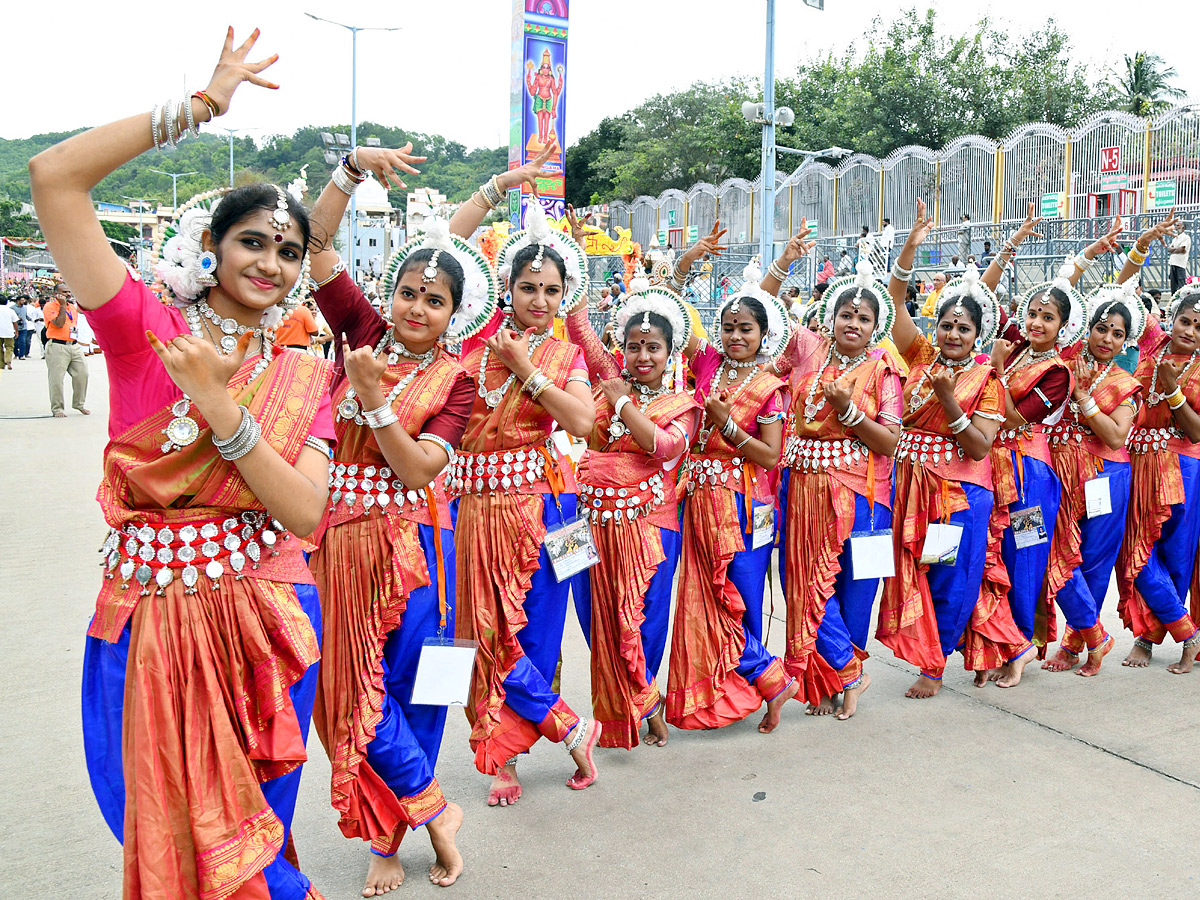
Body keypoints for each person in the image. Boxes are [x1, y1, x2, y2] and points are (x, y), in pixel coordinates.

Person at [34, 28, 334, 898]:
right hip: (147, 618)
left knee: (256, 839)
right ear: (212, 244)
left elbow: (307, 514)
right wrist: (199, 110)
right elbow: (55, 178)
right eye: (251, 242)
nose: (269, 263)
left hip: (263, 622)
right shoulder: (139, 329)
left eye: (287, 250)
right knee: (151, 815)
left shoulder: (302, 371)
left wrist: (221, 410)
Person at [306, 144, 484, 892]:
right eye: (409, 291)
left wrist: (374, 401)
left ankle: (388, 835)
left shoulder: (460, 383)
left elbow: (417, 469)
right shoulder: (361, 330)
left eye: (433, 299)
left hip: (416, 550)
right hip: (334, 542)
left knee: (407, 688)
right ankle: (434, 811)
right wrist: (349, 170)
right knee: (340, 691)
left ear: (455, 313)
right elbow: (315, 247)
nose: (415, 307)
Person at [444, 150, 601, 807]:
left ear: (565, 296)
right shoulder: (472, 336)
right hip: (477, 505)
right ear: (506, 288)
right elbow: (445, 248)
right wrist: (495, 189)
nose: (539, 301)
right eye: (528, 287)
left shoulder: (565, 354)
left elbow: (586, 421)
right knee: (483, 631)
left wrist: (527, 370)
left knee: (539, 629)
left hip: (557, 507)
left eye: (551, 291)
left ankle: (526, 739)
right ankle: (517, 749)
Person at [877, 199, 1023, 699]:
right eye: (946, 325)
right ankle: (981, 652)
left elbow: (981, 446)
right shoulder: (920, 354)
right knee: (914, 574)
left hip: (955, 494)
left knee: (944, 578)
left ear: (978, 335)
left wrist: (945, 398)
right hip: (910, 486)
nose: (953, 334)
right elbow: (894, 304)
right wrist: (911, 248)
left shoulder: (985, 380)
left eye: (964, 328)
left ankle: (934, 664)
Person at [564, 225, 700, 748]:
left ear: (671, 354)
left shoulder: (682, 403)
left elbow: (663, 449)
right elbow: (577, 326)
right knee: (594, 621)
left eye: (654, 348)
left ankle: (646, 705)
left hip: (648, 528)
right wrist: (573, 252)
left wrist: (622, 402)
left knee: (640, 624)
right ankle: (627, 711)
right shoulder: (606, 378)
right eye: (634, 346)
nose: (643, 356)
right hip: (584, 523)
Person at [664, 234, 800, 733]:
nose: (735, 336)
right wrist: (686, 264)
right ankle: (742, 686)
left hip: (746, 503)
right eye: (727, 328)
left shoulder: (771, 387)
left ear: (764, 335)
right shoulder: (707, 363)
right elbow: (671, 318)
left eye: (745, 329)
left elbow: (771, 455)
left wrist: (726, 425)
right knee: (702, 595)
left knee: (734, 594)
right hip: (697, 495)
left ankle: (766, 678)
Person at [777, 255, 902, 717]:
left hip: (865, 495)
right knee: (806, 584)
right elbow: (766, 315)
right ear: (831, 317)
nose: (853, 322)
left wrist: (849, 411)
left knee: (855, 591)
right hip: (805, 486)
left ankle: (842, 677)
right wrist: (784, 263)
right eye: (846, 315)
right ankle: (839, 673)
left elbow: (889, 439)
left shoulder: (884, 369)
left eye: (863, 318)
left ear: (876, 326)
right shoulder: (809, 350)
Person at [982, 203, 1084, 682]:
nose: (1037, 322)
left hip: (1030, 476)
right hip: (994, 470)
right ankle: (1000, 639)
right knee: (994, 555)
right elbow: (980, 296)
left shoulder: (1057, 372)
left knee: (1025, 557)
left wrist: (997, 371)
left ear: (1063, 327)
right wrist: (1012, 244)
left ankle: (1021, 644)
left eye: (1048, 317)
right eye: (1033, 313)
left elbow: (1008, 416)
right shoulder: (1015, 345)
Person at [1040, 269, 1143, 676]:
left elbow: (1116, 436)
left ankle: (1074, 644)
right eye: (1102, 328)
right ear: (1089, 328)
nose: (1107, 338)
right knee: (1052, 553)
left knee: (1094, 563)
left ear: (1125, 341)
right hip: (1057, 472)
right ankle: (1095, 635)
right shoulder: (1062, 361)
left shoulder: (1125, 382)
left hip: (1107, 478)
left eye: (1117, 334)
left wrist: (1084, 399)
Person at [1114, 214, 1200, 673]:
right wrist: (1143, 245)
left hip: (1183, 465)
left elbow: (1197, 429)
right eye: (1185, 320)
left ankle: (1151, 637)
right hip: (1135, 460)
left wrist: (1172, 392)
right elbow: (1120, 296)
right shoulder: (1150, 343)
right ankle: (1183, 630)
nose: (1188, 330)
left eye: (1198, 327)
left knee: (1174, 553)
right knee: (1133, 550)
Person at [43, 282, 90, 416]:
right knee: (56, 379)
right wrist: (62, 305)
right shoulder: (50, 306)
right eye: (64, 292)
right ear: (55, 294)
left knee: (83, 374)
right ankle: (57, 408)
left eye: (69, 292)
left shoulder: (72, 307)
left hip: (73, 346)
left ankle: (78, 404)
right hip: (57, 346)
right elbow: (59, 323)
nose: (67, 294)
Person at [1167, 222, 1191, 295]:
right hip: (1173, 263)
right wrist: (1176, 249)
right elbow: (1169, 249)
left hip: (1180, 264)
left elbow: (1182, 250)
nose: (1176, 227)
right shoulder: (1175, 238)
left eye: (1178, 226)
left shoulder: (1186, 237)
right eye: (1176, 225)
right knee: (1173, 285)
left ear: (1183, 228)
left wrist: (1174, 249)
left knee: (1181, 285)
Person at [0, 296, 17, 368]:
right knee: (9, 347)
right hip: (8, 332)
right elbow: (14, 322)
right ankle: (8, 361)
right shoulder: (10, 310)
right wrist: (16, 331)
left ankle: (1, 364)